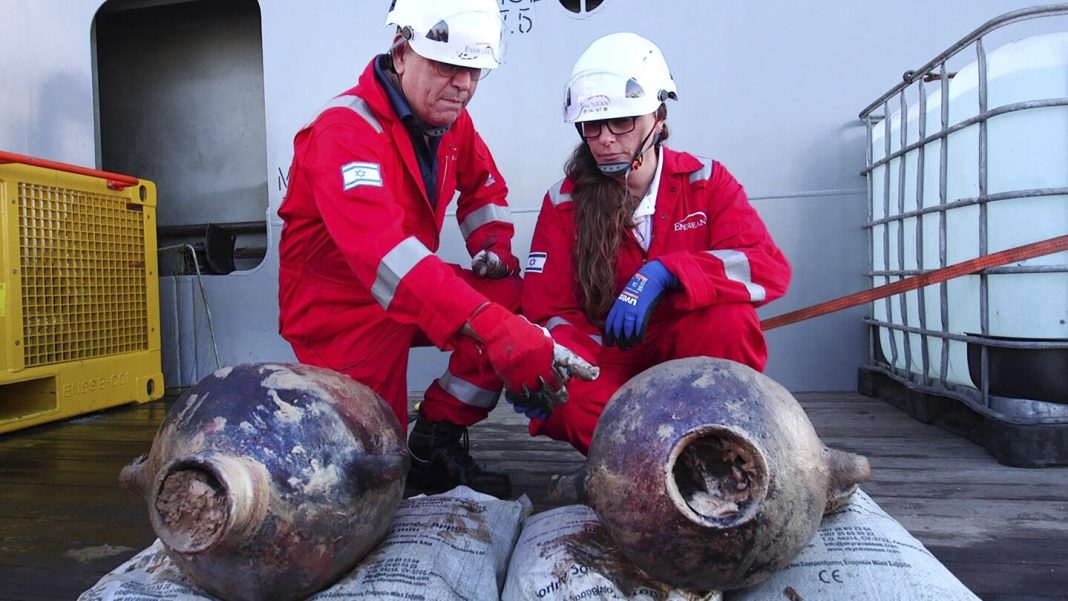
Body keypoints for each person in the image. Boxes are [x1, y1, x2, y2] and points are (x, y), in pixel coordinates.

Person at [277, 0, 588, 498]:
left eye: (475, 71)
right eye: (448, 66)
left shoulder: (448, 121)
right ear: (402, 53)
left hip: (409, 289)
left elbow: (484, 186)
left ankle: (436, 441)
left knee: (512, 298)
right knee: (373, 467)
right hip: (340, 313)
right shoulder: (343, 133)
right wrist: (493, 326)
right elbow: (385, 258)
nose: (464, 84)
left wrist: (492, 247)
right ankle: (399, 456)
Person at [511, 32, 792, 454]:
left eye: (622, 122)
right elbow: (547, 310)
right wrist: (575, 357)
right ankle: (672, 461)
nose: (605, 138)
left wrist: (669, 273)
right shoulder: (564, 202)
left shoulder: (706, 182)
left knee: (729, 321)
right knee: (565, 400)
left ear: (658, 118)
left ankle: (705, 443)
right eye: (592, 125)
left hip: (687, 350)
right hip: (609, 356)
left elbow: (766, 267)